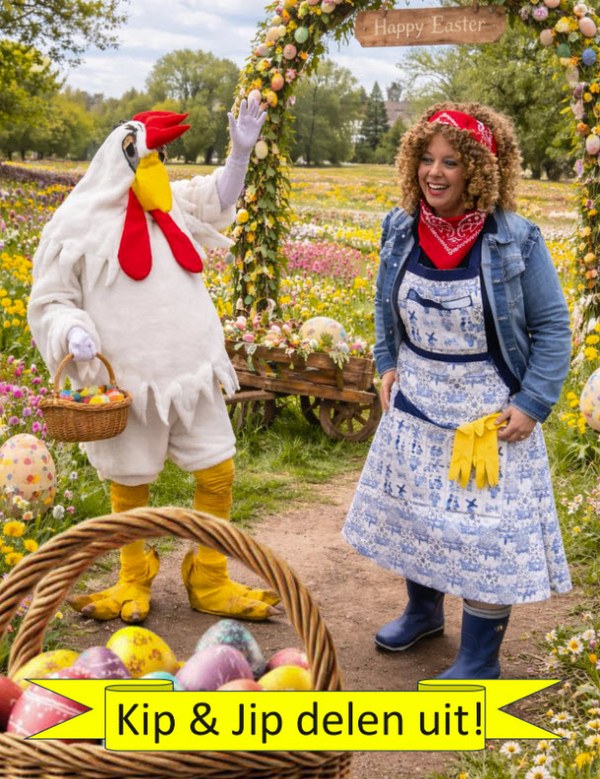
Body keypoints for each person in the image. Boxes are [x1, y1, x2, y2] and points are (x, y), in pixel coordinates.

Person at [28, 98, 281, 624]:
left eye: (158, 160)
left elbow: (218, 196)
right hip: (129, 382)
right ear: (117, 159)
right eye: (145, 158)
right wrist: (71, 329)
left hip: (192, 374)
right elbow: (52, 299)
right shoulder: (75, 227)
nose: (154, 167)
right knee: (130, 482)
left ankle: (209, 575)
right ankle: (132, 574)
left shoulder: (169, 205)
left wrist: (239, 155)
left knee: (218, 470)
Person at [342, 102, 572, 679]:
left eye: (450, 161)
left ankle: (478, 657)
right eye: (426, 159)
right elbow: (384, 302)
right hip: (417, 404)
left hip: (488, 416)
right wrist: (387, 360)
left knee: (482, 532)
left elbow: (552, 326)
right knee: (418, 515)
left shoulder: (515, 239)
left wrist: (532, 402)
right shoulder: (401, 228)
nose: (434, 173)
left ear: (479, 170)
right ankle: (423, 613)